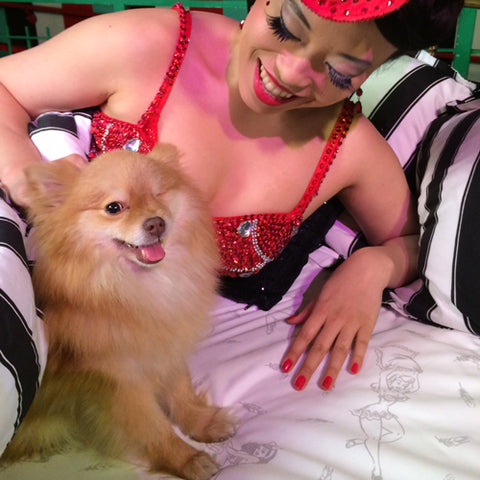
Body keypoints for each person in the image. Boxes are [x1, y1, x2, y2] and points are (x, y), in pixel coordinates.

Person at [0, 0, 463, 392]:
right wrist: (26, 175)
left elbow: (416, 243)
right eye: (283, 28)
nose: (290, 72)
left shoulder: (350, 148)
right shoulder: (150, 44)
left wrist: (372, 267)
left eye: (341, 73)